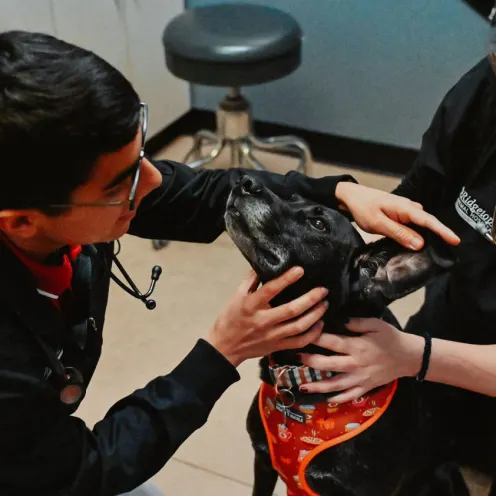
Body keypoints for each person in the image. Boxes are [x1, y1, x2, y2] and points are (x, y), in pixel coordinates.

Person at [0, 30, 459, 496]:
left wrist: (337, 192)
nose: (155, 178)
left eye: (142, 156)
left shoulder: (43, 199)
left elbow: (205, 195)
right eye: (122, 183)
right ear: (21, 223)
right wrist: (221, 353)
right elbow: (83, 473)